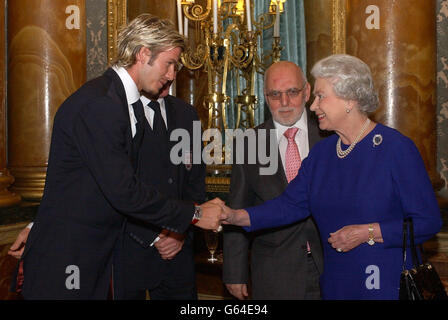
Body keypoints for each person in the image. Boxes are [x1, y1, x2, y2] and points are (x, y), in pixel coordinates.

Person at [10, 13, 223, 299]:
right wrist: (195, 214)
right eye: (169, 63)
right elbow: (125, 191)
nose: (172, 75)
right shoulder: (102, 105)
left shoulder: (120, 102)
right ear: (144, 53)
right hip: (68, 261)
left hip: (96, 258)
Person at [221, 54, 443, 299]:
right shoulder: (323, 154)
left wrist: (367, 232)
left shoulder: (396, 149)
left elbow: (428, 222)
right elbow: (287, 206)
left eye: (320, 96)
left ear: (349, 99)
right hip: (337, 285)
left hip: (386, 283)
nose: (313, 105)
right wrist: (233, 216)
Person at [222, 61, 323, 300]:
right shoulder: (249, 144)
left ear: (307, 92)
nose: (285, 102)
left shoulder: (329, 135)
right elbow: (237, 208)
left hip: (329, 263)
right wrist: (234, 273)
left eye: (292, 92)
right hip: (275, 271)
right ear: (265, 97)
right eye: (275, 95)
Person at [116, 79, 205, 300]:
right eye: (167, 65)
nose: (171, 74)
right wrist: (154, 236)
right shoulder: (118, 113)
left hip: (178, 252)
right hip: (128, 248)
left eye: (175, 67)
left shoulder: (186, 114)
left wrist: (178, 232)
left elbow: (195, 182)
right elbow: (116, 187)